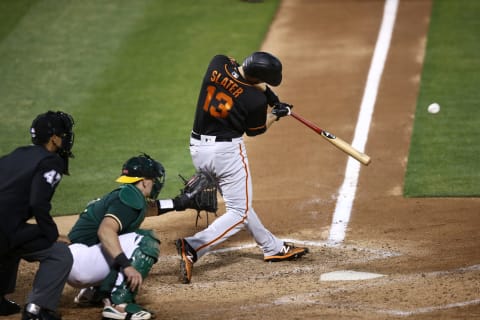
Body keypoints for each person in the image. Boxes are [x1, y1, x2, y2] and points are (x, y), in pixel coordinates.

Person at [175, 51, 309, 284]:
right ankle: (193, 247)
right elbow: (256, 130)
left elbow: (240, 73)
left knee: (240, 203)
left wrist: (270, 96)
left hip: (198, 148)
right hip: (226, 155)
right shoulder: (253, 101)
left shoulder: (217, 63)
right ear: (259, 78)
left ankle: (272, 247)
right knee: (240, 212)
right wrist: (276, 113)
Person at [67, 153, 209, 320]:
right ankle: (119, 305)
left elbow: (147, 208)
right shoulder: (130, 196)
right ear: (144, 181)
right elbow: (105, 231)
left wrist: (180, 202)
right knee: (145, 240)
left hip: (73, 263)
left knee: (121, 239)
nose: (155, 183)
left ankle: (94, 292)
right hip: (84, 265)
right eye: (153, 179)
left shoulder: (125, 195)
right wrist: (126, 266)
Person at [0, 111, 75, 320]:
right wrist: (51, 234)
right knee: (59, 253)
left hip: (5, 228)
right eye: (64, 134)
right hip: (4, 229)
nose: (67, 138)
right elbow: (38, 203)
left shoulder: (16, 155)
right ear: (54, 138)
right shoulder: (50, 162)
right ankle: (38, 310)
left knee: (13, 241)